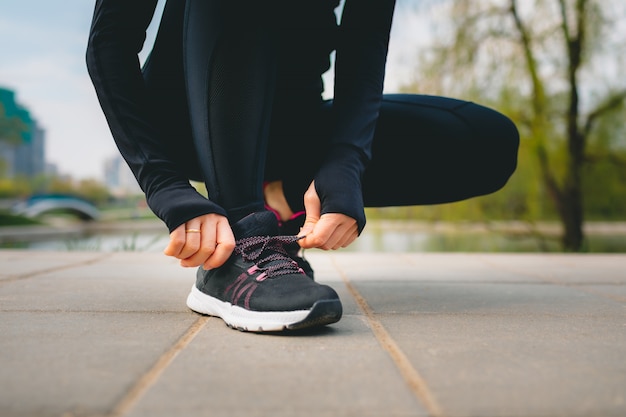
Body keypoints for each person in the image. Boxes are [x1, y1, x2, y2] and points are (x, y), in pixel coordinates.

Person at [86, 0, 519, 332]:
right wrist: (164, 183)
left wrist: (346, 162)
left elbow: (364, 45)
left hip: (293, 125)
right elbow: (110, 41)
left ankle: (279, 203)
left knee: (485, 140)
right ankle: (241, 235)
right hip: (188, 116)